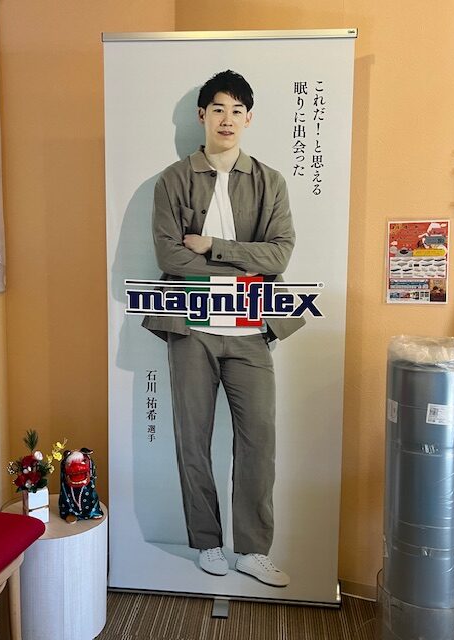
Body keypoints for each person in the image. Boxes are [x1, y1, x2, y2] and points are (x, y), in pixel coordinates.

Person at [143, 70, 305, 587]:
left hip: (252, 328)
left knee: (259, 441)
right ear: (202, 116)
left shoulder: (270, 181)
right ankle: (207, 542)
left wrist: (213, 247)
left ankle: (253, 550)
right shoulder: (173, 179)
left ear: (249, 119)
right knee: (192, 439)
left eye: (237, 110)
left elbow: (279, 254)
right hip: (191, 327)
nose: (227, 119)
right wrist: (245, 264)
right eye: (218, 109)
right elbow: (169, 256)